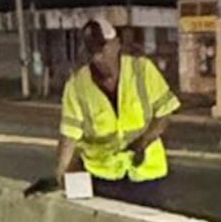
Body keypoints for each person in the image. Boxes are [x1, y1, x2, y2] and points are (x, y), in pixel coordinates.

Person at [38, 19, 179, 204]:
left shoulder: (142, 70)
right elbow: (69, 136)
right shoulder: (77, 85)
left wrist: (143, 143)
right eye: (92, 52)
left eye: (102, 49)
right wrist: (61, 172)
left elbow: (164, 113)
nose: (98, 58)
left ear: (116, 44)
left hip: (147, 173)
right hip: (103, 177)